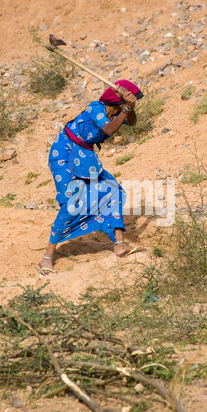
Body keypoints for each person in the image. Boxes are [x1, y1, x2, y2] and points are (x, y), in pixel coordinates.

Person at [35, 79, 144, 276]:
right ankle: (47, 258)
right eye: (126, 102)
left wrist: (130, 108)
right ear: (118, 100)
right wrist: (127, 107)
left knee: (113, 191)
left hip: (85, 156)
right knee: (71, 204)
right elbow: (109, 130)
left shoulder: (119, 112)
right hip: (64, 153)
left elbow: (132, 122)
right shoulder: (96, 108)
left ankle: (119, 245)